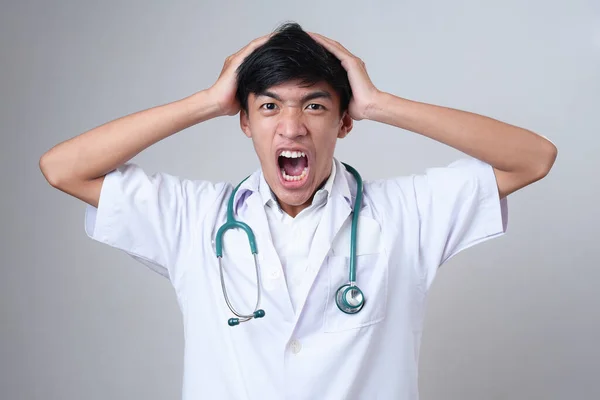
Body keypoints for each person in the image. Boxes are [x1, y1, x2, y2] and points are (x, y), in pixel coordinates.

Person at [40, 22, 557, 400]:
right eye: (268, 107)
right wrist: (206, 101)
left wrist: (378, 103)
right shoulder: (194, 218)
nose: (291, 127)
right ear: (243, 121)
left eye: (314, 105)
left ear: (344, 121)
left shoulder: (407, 215)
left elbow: (534, 158)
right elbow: (63, 168)